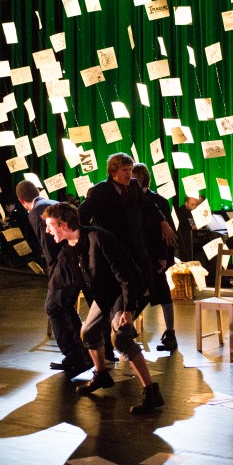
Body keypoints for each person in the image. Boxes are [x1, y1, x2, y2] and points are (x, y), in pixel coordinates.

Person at [43, 202, 164, 414]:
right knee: (88, 332)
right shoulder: (68, 248)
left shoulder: (98, 238)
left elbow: (125, 275)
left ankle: (152, 392)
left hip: (127, 290)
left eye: (50, 225)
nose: (47, 230)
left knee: (121, 339)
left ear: (63, 225)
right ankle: (101, 375)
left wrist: (128, 309)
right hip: (105, 294)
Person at [78, 153, 177, 352]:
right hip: (112, 253)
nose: (129, 174)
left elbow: (149, 206)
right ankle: (113, 339)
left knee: (144, 290)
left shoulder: (133, 186)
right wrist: (92, 240)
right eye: (125, 170)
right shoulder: (99, 191)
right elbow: (81, 217)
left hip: (136, 251)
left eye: (130, 170)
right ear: (113, 171)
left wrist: (163, 221)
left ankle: (121, 330)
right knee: (114, 298)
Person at [16, 180, 92, 378]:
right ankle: (82, 353)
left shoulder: (35, 212)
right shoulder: (50, 202)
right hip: (72, 260)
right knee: (64, 307)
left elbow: (48, 244)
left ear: (21, 200)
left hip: (63, 264)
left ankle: (77, 356)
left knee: (55, 307)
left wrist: (52, 273)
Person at [130, 163, 178, 351]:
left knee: (161, 292)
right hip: (137, 255)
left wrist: (162, 257)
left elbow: (166, 234)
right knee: (136, 292)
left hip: (154, 254)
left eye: (133, 176)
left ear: (141, 178)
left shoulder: (158, 201)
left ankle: (170, 334)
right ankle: (126, 329)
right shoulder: (129, 199)